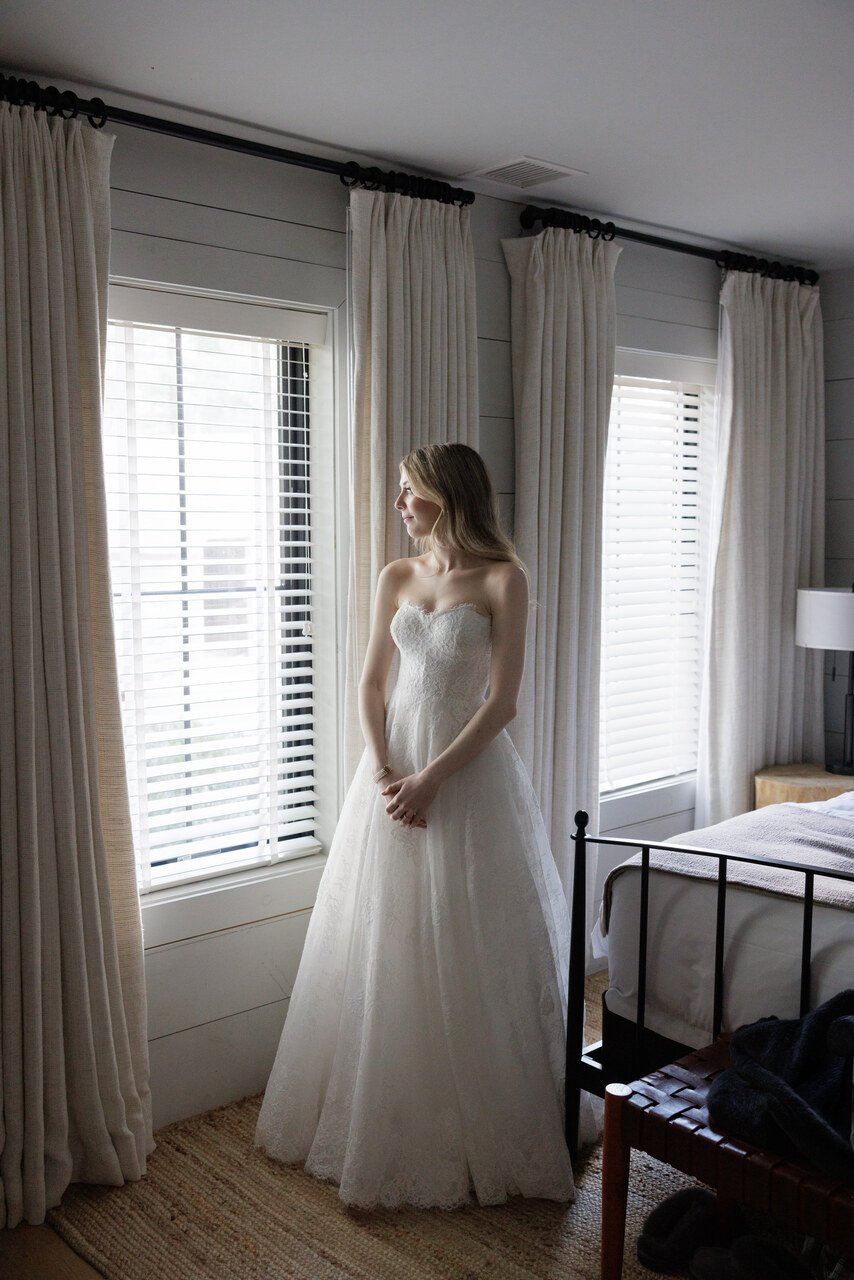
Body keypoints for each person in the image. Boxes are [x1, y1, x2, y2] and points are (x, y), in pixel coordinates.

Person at [255, 442, 599, 1209]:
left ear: (448, 496)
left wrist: (432, 779)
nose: (401, 504)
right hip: (391, 772)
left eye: (411, 492)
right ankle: (393, 1100)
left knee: (469, 935)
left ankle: (484, 1112)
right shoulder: (398, 576)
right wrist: (382, 768)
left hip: (464, 775)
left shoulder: (505, 579)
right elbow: (373, 679)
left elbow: (501, 702)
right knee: (388, 933)